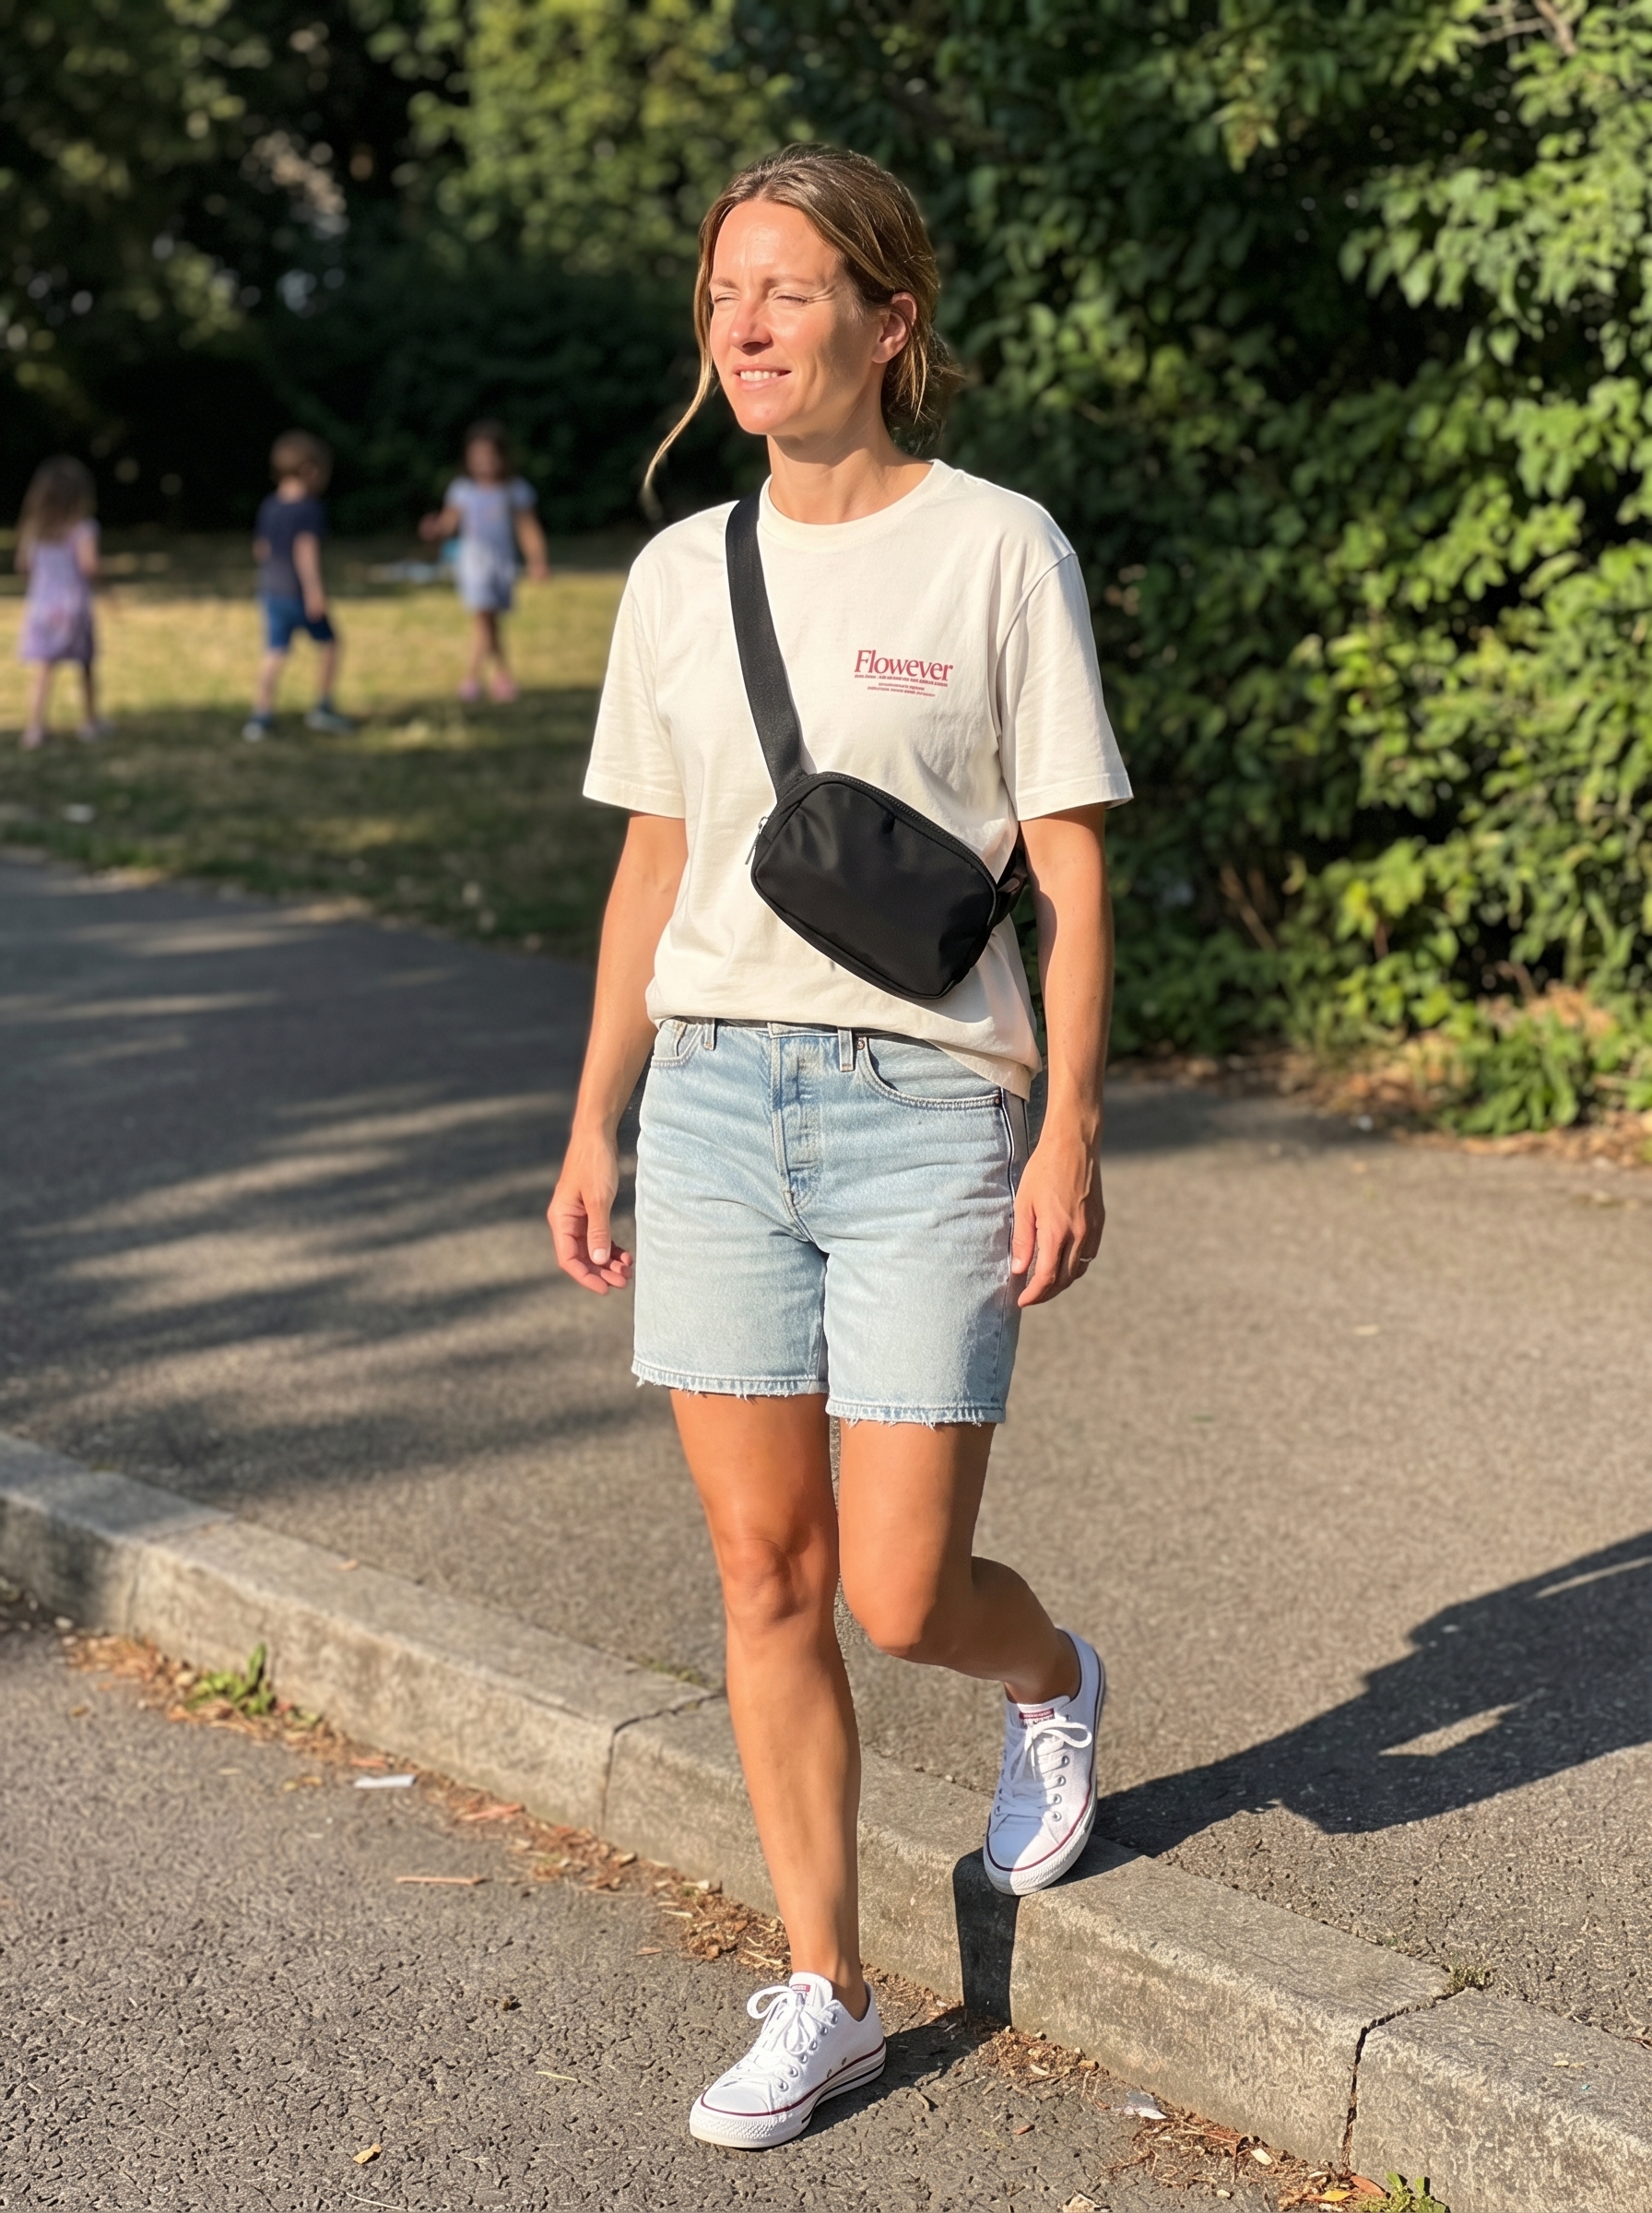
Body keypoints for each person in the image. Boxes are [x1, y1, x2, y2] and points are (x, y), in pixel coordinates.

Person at [549, 144, 1132, 2151]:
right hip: (712, 1097)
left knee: (896, 1589)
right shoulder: (672, 574)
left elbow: (1061, 858)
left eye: (788, 290)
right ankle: (825, 1985)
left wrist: (1064, 1124)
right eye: (725, 292)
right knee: (759, 1569)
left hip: (924, 1121)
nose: (745, 324)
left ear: (889, 321)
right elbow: (654, 859)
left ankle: (1046, 1671)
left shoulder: (994, 548)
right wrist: (597, 1113)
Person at [418, 421, 549, 703]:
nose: (484, 463)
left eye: (490, 456)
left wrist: (537, 560)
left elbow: (528, 529)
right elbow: (449, 523)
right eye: (477, 456)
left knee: (489, 621)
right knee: (484, 618)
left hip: (500, 566)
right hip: (472, 565)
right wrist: (435, 529)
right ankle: (478, 677)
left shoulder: (514, 490)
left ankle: (495, 676)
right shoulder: (462, 490)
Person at [244, 430, 354, 742]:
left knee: (274, 652)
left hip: (271, 592)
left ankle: (260, 716)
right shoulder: (309, 509)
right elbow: (305, 552)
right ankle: (322, 706)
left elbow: (261, 550)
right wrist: (315, 591)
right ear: (310, 470)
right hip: (298, 594)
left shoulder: (270, 505)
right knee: (331, 644)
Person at [15, 456, 105, 751]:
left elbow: (23, 564)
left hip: (41, 607)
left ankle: (34, 728)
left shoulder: (35, 528)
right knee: (85, 665)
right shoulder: (82, 528)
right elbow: (89, 565)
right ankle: (90, 722)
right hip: (73, 607)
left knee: (43, 668)